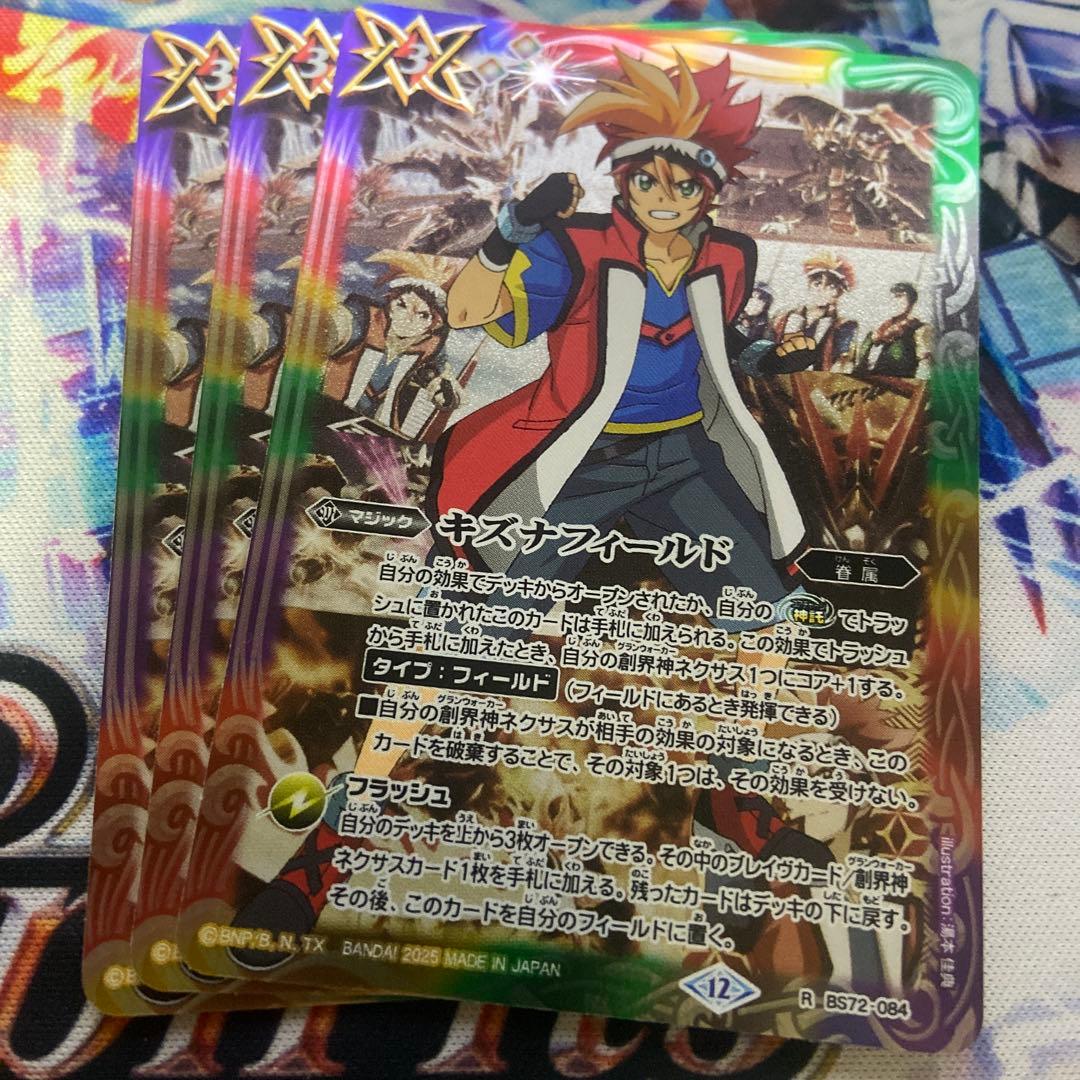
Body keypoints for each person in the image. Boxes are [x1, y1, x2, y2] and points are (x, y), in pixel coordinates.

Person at [770, 253, 858, 372]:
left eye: (831, 287)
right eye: (817, 284)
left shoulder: (843, 326)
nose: (821, 290)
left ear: (838, 293)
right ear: (809, 286)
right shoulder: (783, 317)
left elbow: (844, 363)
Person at [852, 281, 932, 379]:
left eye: (899, 296)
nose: (893, 301)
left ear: (911, 302)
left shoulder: (919, 329)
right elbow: (859, 366)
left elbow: (925, 368)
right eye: (891, 297)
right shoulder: (875, 332)